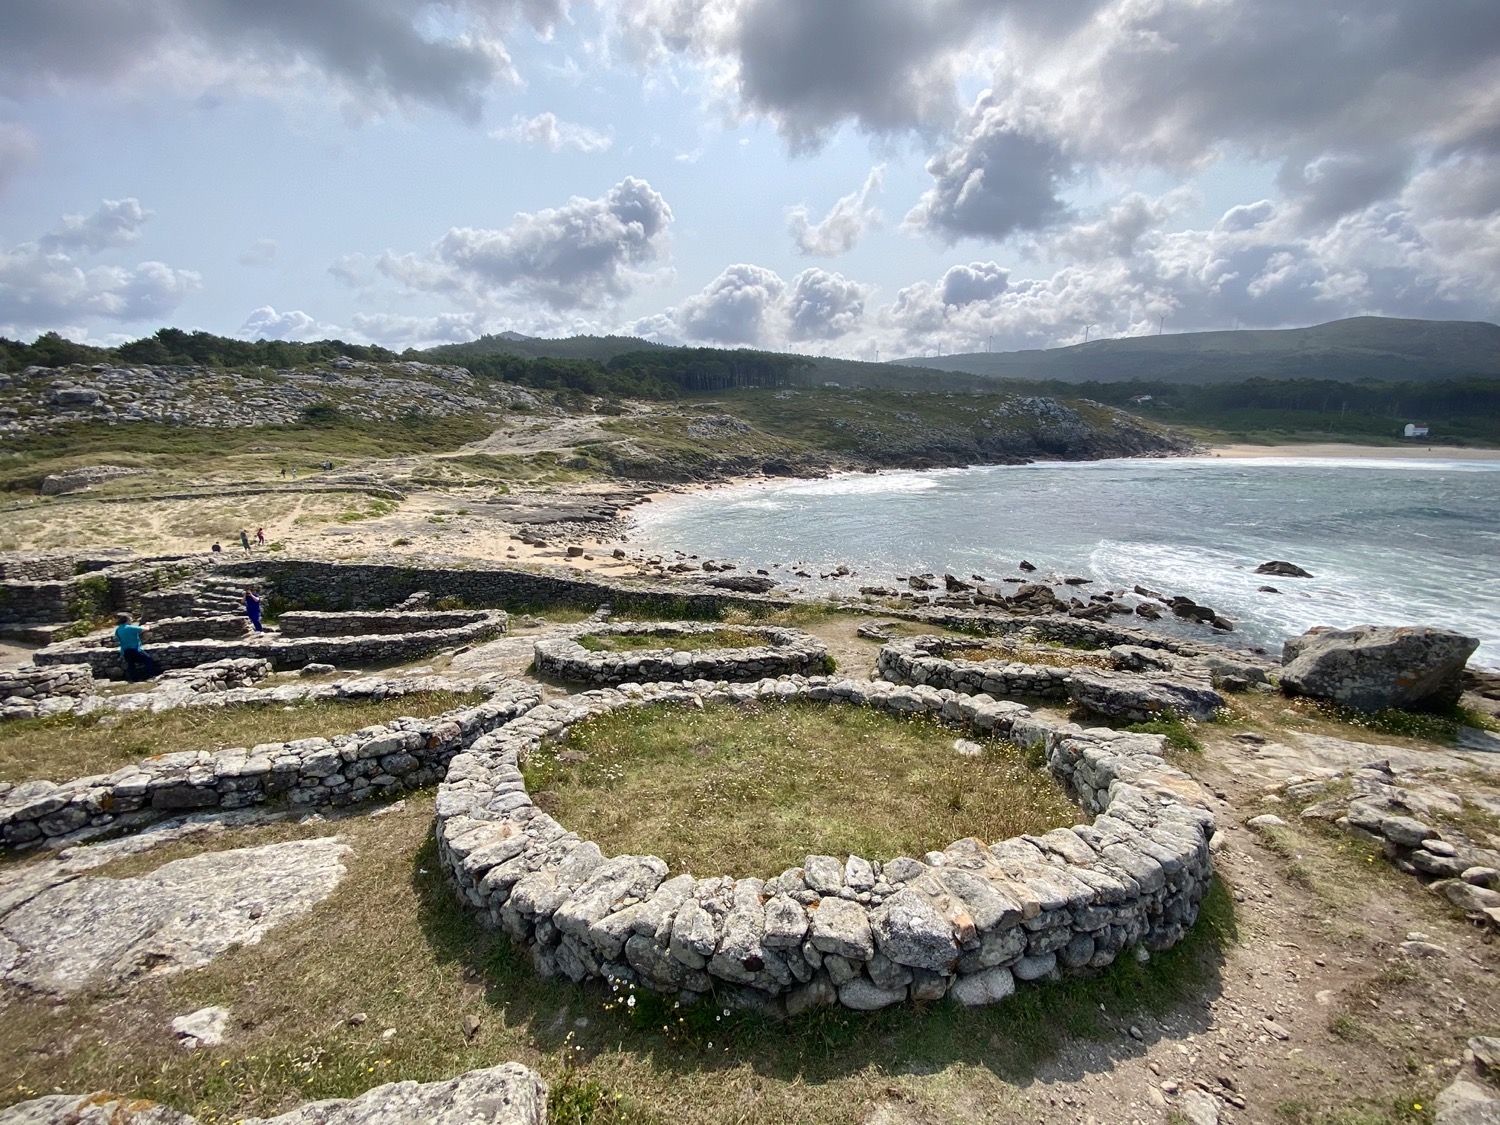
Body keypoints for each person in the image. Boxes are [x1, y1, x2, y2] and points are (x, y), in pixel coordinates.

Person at [114, 613, 158, 682]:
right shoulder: (130, 628)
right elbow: (146, 629)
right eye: (130, 619)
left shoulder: (118, 629)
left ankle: (135, 680)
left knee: (131, 665)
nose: (132, 620)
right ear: (127, 620)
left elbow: (117, 638)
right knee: (148, 659)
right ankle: (150, 675)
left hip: (125, 650)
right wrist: (147, 625)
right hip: (134, 649)